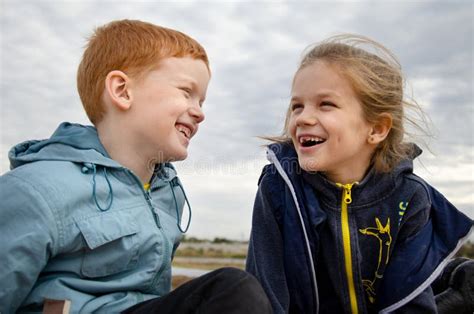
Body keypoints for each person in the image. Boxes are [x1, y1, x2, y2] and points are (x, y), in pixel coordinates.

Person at [0, 19, 271, 313]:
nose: (199, 113)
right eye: (186, 92)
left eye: (202, 101)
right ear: (122, 91)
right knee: (234, 289)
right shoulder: (36, 190)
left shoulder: (167, 193)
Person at [246, 34, 473, 314]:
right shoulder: (278, 188)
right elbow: (265, 291)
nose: (303, 118)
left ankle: (458, 286)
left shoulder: (410, 198)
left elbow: (409, 302)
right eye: (297, 106)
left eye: (325, 104)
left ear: (376, 129)